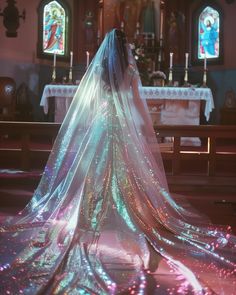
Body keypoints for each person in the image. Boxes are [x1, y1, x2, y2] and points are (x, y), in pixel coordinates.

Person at [0, 29, 235, 294]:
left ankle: (92, 209)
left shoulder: (99, 68)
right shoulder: (131, 73)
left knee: (95, 169)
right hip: (122, 126)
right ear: (127, 51)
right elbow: (136, 104)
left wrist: (87, 129)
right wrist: (148, 130)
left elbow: (90, 104)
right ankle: (128, 208)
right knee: (127, 170)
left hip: (101, 124)